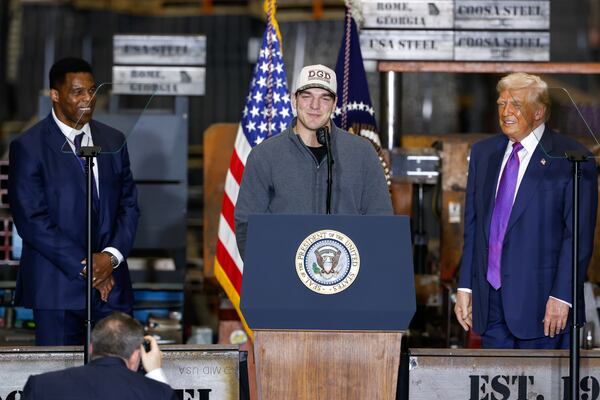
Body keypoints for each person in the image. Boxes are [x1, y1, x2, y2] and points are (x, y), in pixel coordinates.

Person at [454, 72, 598, 349]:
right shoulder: (484, 154)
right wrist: (466, 287)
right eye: (501, 104)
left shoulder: (573, 158)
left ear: (539, 112)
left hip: (545, 309)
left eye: (515, 105)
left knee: (541, 392)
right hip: (490, 306)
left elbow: (577, 237)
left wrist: (562, 296)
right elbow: (473, 227)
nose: (505, 112)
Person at [8, 57, 139, 345]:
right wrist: (91, 268)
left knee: (115, 383)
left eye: (92, 91)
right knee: (60, 384)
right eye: (77, 92)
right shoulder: (28, 146)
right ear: (55, 95)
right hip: (57, 288)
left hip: (112, 286)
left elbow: (128, 205)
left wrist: (111, 258)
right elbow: (31, 220)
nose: (88, 99)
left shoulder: (113, 139)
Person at [234, 64, 393, 259]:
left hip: (348, 279)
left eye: (324, 98)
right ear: (294, 100)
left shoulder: (362, 153)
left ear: (334, 105)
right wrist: (266, 273)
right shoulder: (265, 155)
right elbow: (246, 224)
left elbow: (381, 220)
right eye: (307, 96)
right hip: (284, 277)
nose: (315, 106)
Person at [22, 312, 177, 400]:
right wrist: (155, 372)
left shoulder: (40, 386)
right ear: (136, 355)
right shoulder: (157, 394)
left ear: (90, 348)